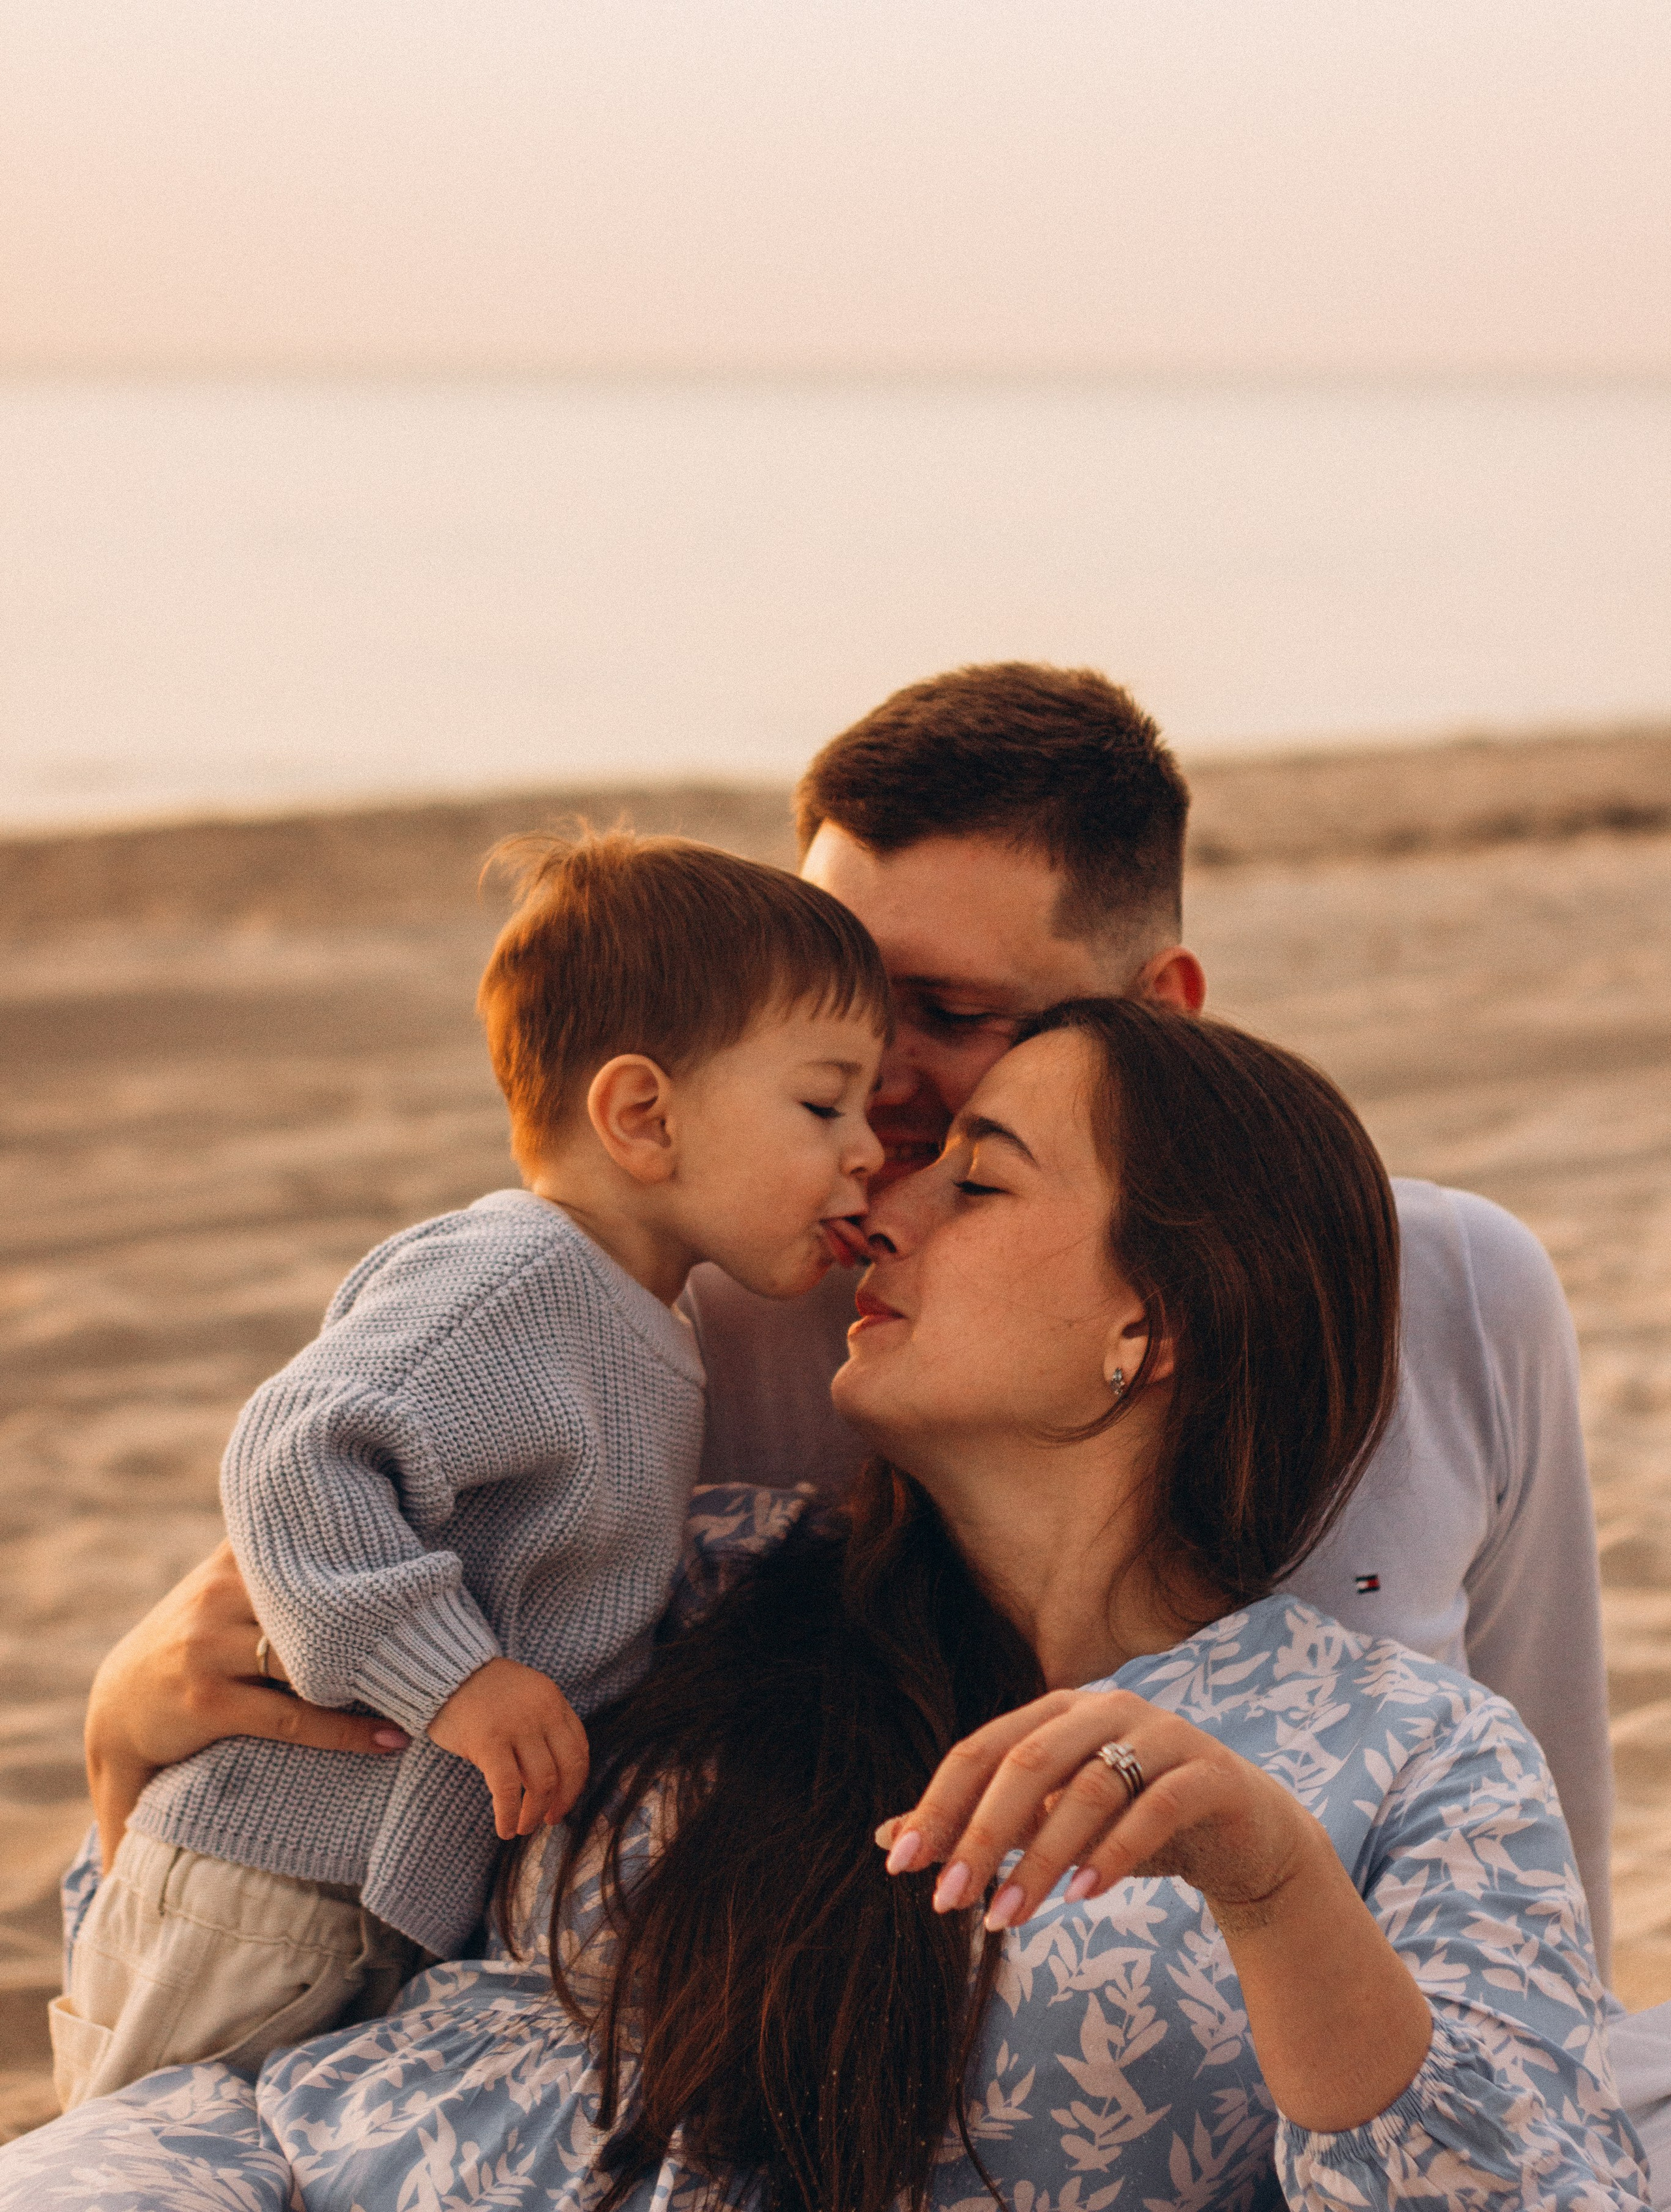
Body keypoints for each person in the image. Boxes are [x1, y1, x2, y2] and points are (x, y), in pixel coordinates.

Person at [76, 662, 1615, 1957]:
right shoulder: (695, 1312)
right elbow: (342, 1542)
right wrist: (132, 1702)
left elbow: (1541, 1813)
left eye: (946, 1014)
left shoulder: (1452, 1291)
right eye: (835, 1005)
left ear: (1161, 1012)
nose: (872, 1083)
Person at [5, 1003, 1647, 2210]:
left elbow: (1511, 2192)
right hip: (244, 2168)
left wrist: (1270, 1884)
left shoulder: (1408, 1758)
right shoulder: (693, 1570)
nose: (884, 1210)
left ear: (1147, 1324)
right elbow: (263, 1877)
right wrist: (125, 1734)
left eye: (975, 1184)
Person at [48, 830, 888, 2108]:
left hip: (375, 1894)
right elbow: (297, 1447)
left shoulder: (640, 1315)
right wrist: (454, 1675)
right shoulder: (516, 1278)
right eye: (825, 1106)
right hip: (271, 1878)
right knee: (137, 2151)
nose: (867, 1147)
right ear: (643, 1116)